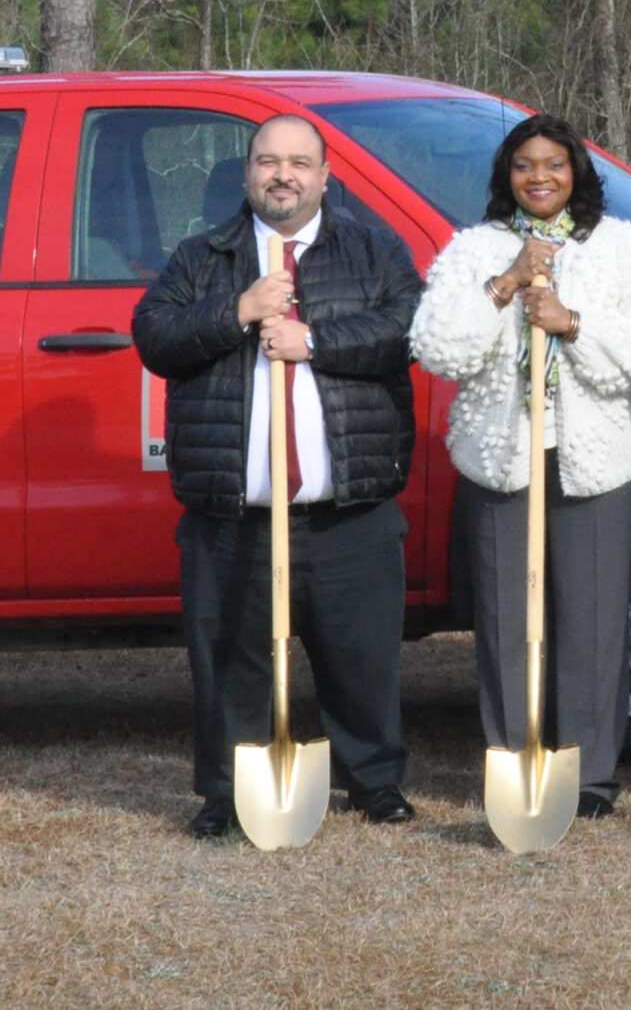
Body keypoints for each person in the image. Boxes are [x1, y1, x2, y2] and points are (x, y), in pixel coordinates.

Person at [133, 115, 426, 839]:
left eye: (299, 162)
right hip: (234, 512)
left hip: (347, 506)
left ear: (326, 177)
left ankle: (373, 780)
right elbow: (155, 337)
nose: (282, 174)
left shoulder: (372, 249)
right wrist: (240, 310)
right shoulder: (205, 255)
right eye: (268, 161)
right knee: (231, 657)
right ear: (246, 176)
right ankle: (228, 791)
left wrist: (313, 340)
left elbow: (408, 328)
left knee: (360, 655)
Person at [411, 113, 631, 820]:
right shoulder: (473, 251)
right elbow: (437, 349)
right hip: (500, 458)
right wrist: (506, 283)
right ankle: (514, 758)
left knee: (590, 619)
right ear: (507, 175)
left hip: (595, 460)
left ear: (577, 172)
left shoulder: (622, 248)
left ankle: (586, 774)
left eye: (554, 164)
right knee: (504, 619)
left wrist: (570, 322)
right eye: (525, 165)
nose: (539, 177)